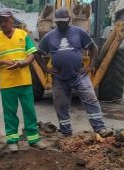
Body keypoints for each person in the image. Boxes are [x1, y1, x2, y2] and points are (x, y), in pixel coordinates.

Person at [35, 7, 114, 138]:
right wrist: (46, 69)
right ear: (55, 21)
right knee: (61, 106)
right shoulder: (49, 36)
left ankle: (100, 128)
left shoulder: (78, 32)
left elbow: (93, 48)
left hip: (79, 75)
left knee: (91, 99)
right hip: (59, 78)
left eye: (64, 21)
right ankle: (66, 132)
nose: (61, 24)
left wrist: (91, 66)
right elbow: (38, 54)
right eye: (58, 21)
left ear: (69, 20)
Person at [0, 8, 46, 152]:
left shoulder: (22, 35)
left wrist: (23, 63)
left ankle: (33, 139)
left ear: (12, 20)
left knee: (29, 110)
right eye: (0, 21)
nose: (2, 24)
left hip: (24, 81)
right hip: (7, 84)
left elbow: (32, 54)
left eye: (5, 20)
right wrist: (4, 62)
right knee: (9, 112)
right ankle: (12, 140)